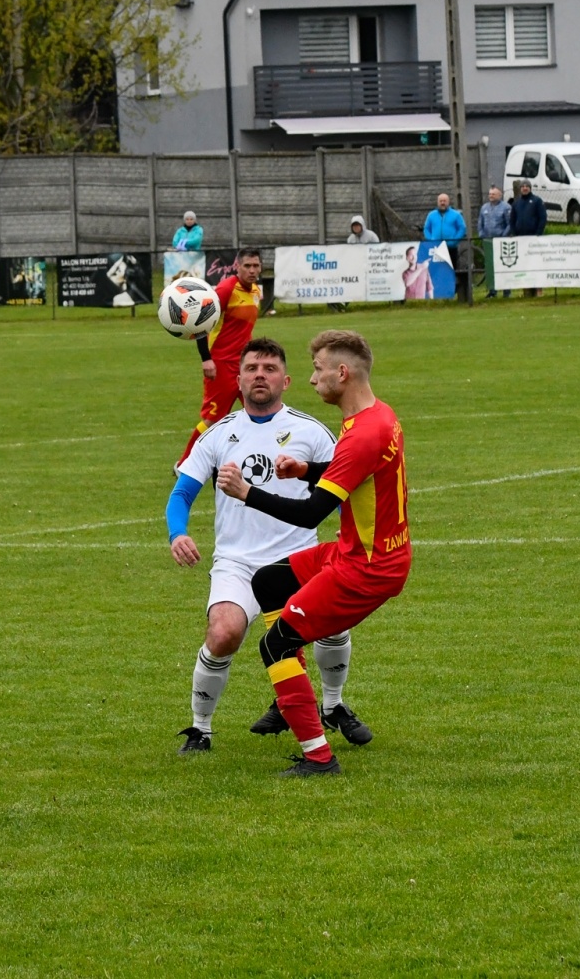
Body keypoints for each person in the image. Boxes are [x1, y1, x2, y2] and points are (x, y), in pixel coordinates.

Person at [214, 329, 409, 777]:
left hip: (367, 568)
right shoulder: (376, 416)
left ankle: (319, 757)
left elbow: (309, 515)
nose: (312, 379)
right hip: (359, 552)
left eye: (318, 370)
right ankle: (292, 693)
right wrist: (306, 469)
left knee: (275, 644)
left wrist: (247, 493)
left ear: (342, 373)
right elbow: (353, 470)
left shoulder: (362, 433)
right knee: (269, 581)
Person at [167, 338, 370, 753]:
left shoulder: (311, 431)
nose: (260, 375)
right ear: (239, 380)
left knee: (334, 625)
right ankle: (200, 729)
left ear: (286, 380)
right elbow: (182, 493)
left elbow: (343, 485)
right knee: (223, 633)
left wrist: (347, 531)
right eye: (252, 368)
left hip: (297, 557)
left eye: (270, 368)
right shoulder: (218, 434)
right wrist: (178, 533)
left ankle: (333, 705)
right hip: (237, 562)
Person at [175, 248, 262, 466]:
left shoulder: (255, 292)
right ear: (237, 267)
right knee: (213, 419)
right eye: (247, 266)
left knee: (260, 411)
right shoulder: (226, 290)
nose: (252, 270)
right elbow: (200, 322)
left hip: (245, 366)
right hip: (221, 365)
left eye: (256, 266)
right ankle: (185, 464)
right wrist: (206, 358)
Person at [508, 180, 548, 298]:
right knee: (524, 265)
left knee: (536, 264)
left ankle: (539, 290)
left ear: (530, 188)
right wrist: (515, 234)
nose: (525, 188)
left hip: (534, 239)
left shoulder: (537, 201)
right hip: (521, 239)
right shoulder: (516, 203)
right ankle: (527, 290)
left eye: (527, 186)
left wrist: (538, 234)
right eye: (523, 186)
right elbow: (512, 220)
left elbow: (542, 218)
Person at [478, 185, 512, 297]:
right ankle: (492, 291)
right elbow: (480, 223)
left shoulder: (506, 207)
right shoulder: (484, 207)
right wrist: (481, 234)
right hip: (488, 241)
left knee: (503, 265)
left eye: (493, 194)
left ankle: (506, 291)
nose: (491, 196)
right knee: (490, 266)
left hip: (502, 242)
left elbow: (510, 224)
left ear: (499, 195)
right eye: (490, 194)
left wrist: (503, 236)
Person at [423, 192, 466, 274]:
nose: (442, 203)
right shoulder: (431, 215)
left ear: (448, 202)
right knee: (435, 271)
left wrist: (454, 241)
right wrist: (431, 240)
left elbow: (462, 228)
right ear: (437, 202)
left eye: (444, 201)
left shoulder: (456, 215)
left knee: (451, 271)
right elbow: (426, 229)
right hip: (436, 248)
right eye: (440, 201)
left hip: (451, 248)